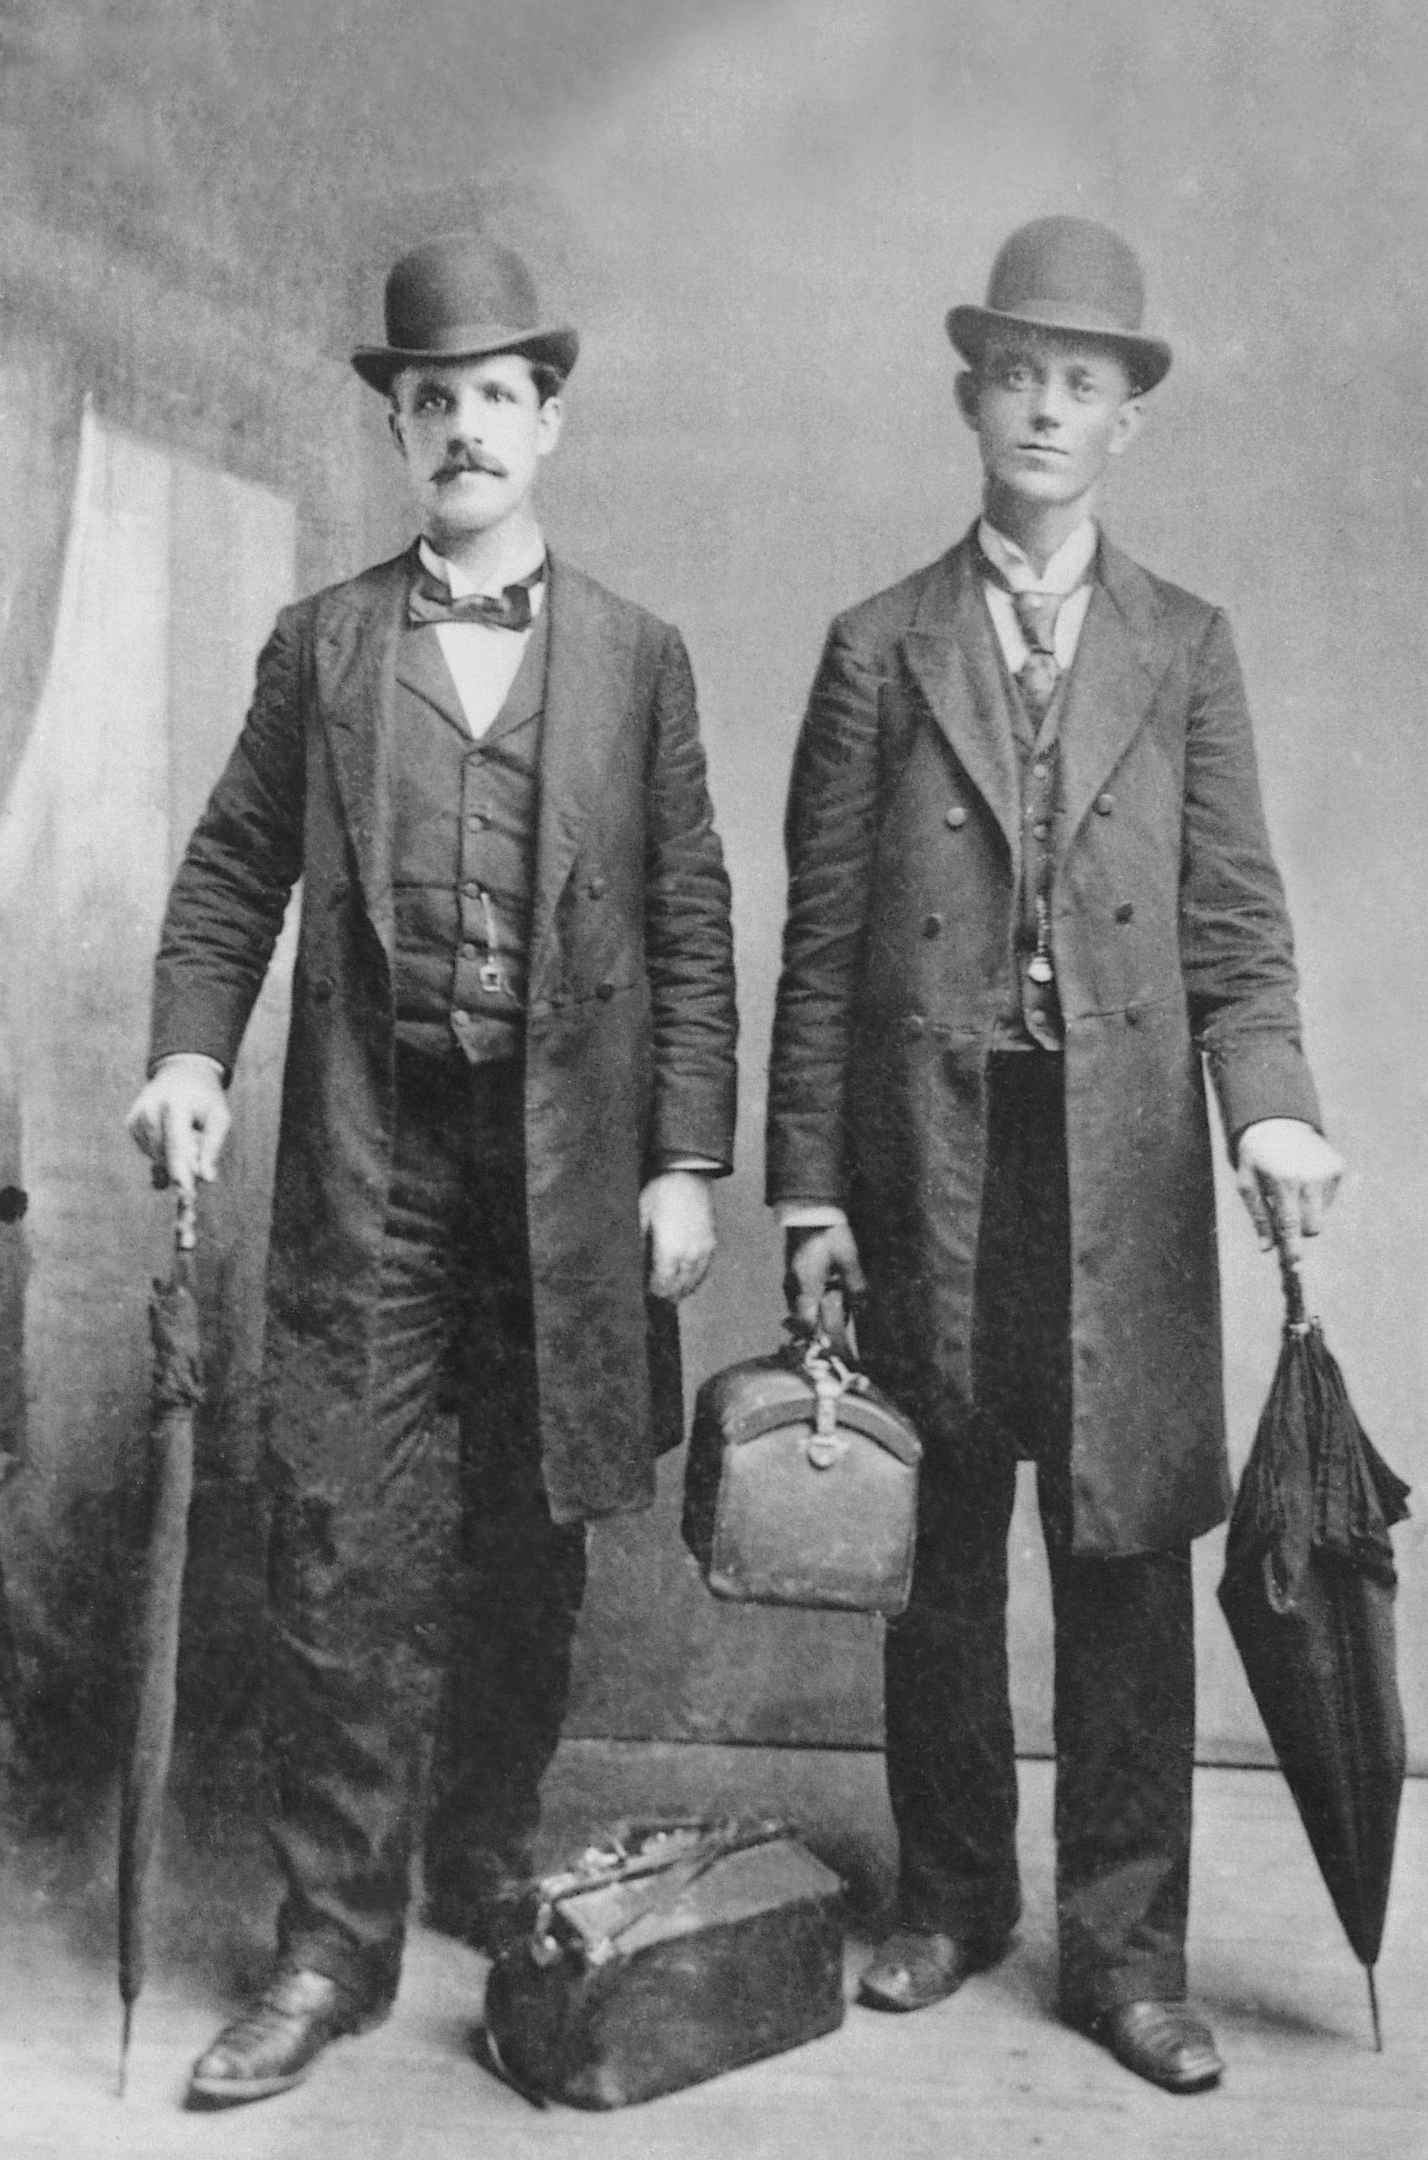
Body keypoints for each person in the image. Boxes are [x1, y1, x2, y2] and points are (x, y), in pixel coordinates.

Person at [127, 231, 737, 2107]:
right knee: (339, 1546)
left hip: (563, 1180)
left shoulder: (637, 658)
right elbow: (232, 876)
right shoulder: (321, 648)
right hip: (372, 1162)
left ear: (550, 423)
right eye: (430, 400)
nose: (464, 428)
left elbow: (693, 922)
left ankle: (482, 1849)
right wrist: (186, 1055)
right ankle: (329, 1943)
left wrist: (685, 1159)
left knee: (529, 1543)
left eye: (494, 396)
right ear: (396, 432)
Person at [765, 216, 1342, 2095]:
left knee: (1124, 1562)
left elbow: (1238, 924)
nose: (1043, 407)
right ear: (970, 399)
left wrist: (1272, 1108)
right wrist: (809, 1187)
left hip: (1122, 1174)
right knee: (938, 1545)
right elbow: (821, 943)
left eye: (1079, 382)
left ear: (1125, 424)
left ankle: (1128, 1948)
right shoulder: (877, 646)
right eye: (1015, 373)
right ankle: (949, 1896)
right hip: (929, 1161)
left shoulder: (1187, 647)